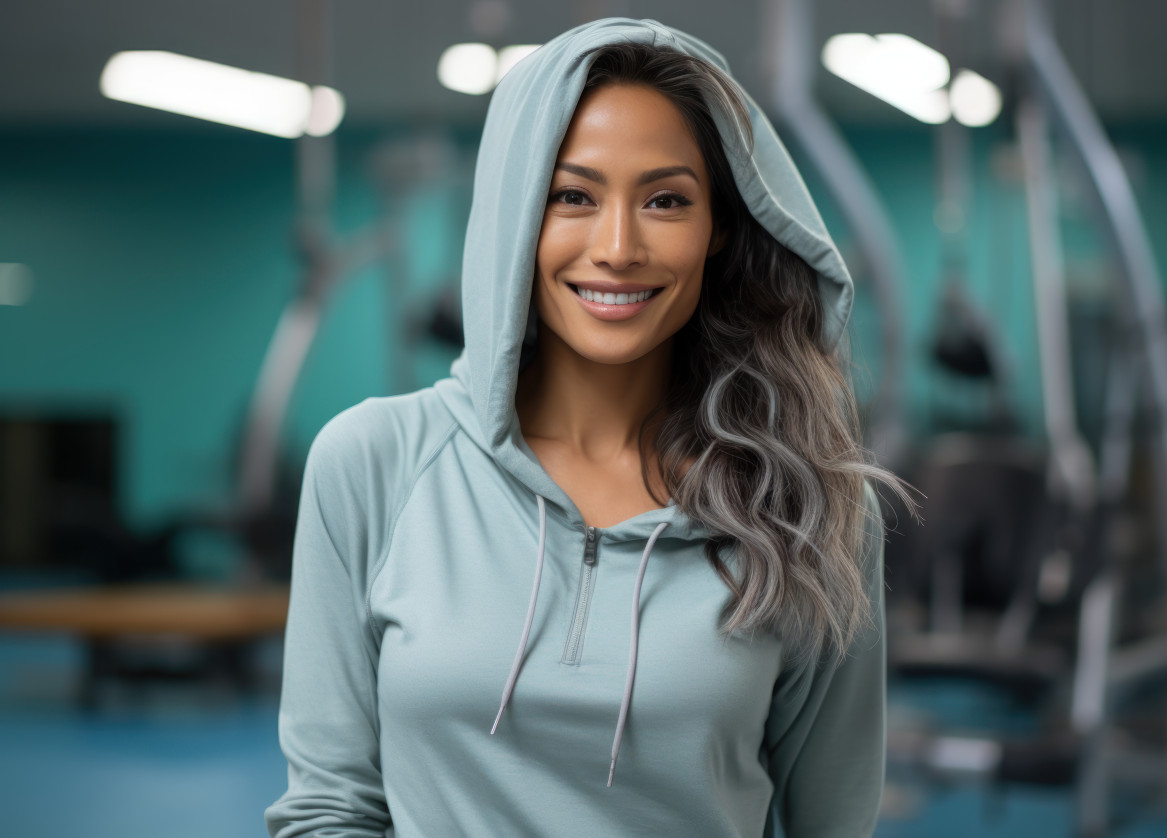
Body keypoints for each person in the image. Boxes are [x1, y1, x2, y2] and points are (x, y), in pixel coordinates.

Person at [265, 17, 908, 838]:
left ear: (720, 231)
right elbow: (328, 809)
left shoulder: (814, 507)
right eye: (572, 196)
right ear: (514, 217)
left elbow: (833, 825)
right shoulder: (373, 462)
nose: (617, 246)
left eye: (667, 200)